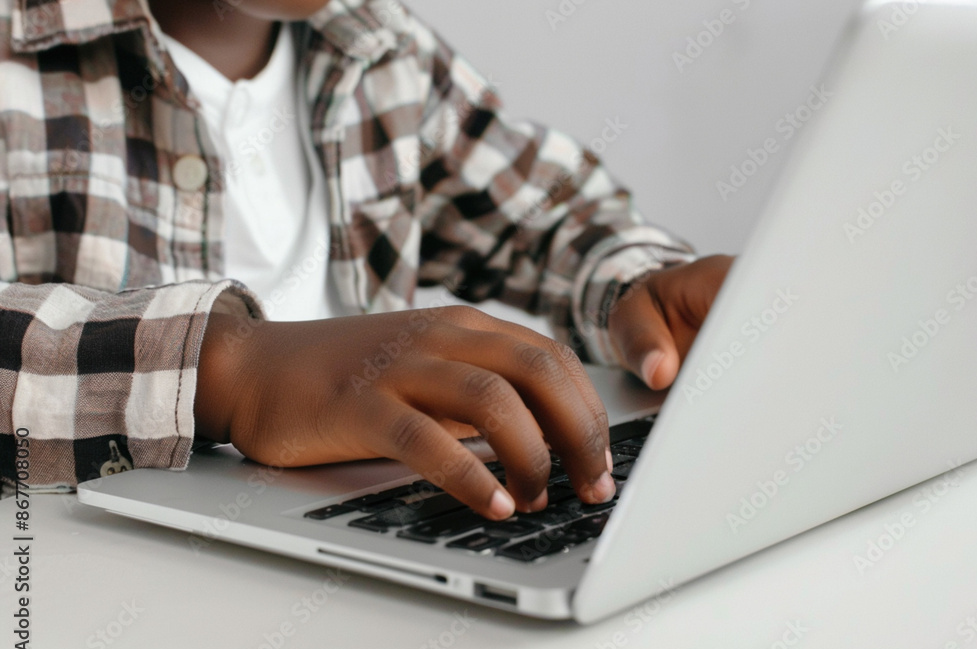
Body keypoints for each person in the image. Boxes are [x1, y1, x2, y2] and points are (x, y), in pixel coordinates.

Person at [0, 0, 733, 519]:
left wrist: (636, 281)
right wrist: (227, 369)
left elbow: (547, 217)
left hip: (355, 538)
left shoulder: (377, 42)